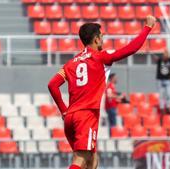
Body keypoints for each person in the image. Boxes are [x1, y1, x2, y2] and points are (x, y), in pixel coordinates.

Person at [47, 15, 156, 169]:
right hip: (86, 115)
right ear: (96, 39)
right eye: (102, 36)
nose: (103, 39)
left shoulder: (70, 64)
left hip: (71, 117)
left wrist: (64, 111)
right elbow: (131, 48)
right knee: (80, 159)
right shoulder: (101, 57)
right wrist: (148, 28)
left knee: (92, 160)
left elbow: (52, 85)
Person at [155, 49, 170, 114]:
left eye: (167, 54)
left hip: (168, 80)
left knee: (169, 94)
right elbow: (155, 57)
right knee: (161, 95)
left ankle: (168, 107)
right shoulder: (160, 60)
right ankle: (162, 108)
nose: (166, 56)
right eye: (164, 54)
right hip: (160, 79)